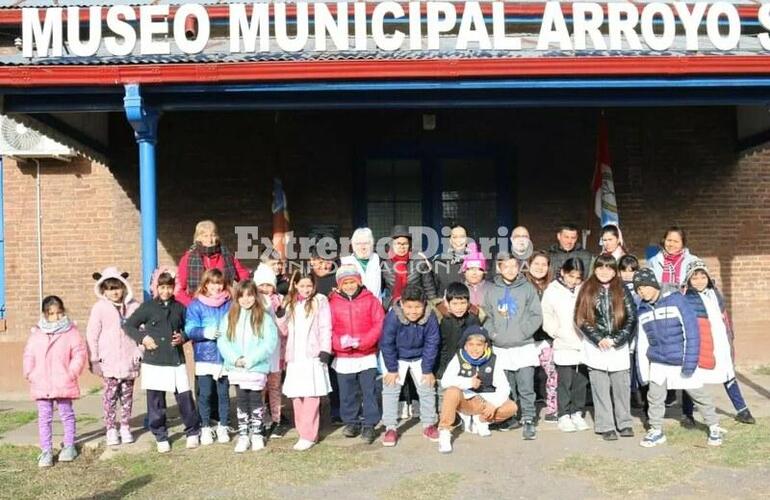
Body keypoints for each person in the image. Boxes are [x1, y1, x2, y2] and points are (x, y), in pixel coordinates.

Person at [634, 268, 724, 447]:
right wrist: (643, 370)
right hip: (658, 362)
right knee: (654, 397)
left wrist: (689, 362)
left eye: (644, 286)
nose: (641, 291)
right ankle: (656, 430)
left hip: (681, 359)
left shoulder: (677, 301)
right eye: (638, 289)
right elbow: (642, 342)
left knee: (699, 395)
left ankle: (714, 426)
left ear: (653, 284)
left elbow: (692, 332)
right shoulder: (642, 310)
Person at [125, 270, 201, 453]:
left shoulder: (180, 308)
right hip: (154, 360)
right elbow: (128, 325)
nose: (166, 291)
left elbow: (189, 327)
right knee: (156, 401)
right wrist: (143, 338)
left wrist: (182, 336)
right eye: (162, 287)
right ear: (156, 288)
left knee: (184, 397)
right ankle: (160, 434)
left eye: (169, 287)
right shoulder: (148, 307)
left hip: (176, 360)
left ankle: (192, 431)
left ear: (173, 287)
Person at [681, 260, 755, 425]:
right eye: (695, 278)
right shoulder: (686, 298)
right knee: (692, 378)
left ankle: (742, 410)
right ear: (689, 280)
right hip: (701, 343)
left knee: (727, 374)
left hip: (720, 342)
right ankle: (687, 414)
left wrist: (730, 338)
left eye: (702, 276)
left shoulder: (715, 294)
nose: (699, 281)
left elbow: (724, 318)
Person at [575, 254, 636, 441]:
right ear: (595, 269)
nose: (604, 271)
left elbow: (632, 318)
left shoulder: (622, 288)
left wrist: (617, 339)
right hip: (596, 346)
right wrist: (598, 338)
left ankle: (624, 422)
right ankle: (605, 425)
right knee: (600, 387)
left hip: (618, 346)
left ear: (614, 270)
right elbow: (581, 318)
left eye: (609, 268)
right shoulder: (586, 288)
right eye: (600, 267)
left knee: (621, 386)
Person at [482, 252, 543, 439]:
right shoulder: (492, 290)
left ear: (519, 267)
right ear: (499, 268)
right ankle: (510, 416)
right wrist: (493, 334)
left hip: (523, 347)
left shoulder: (528, 288)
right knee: (506, 386)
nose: (510, 270)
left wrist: (523, 333)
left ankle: (528, 418)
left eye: (514, 266)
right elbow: (487, 316)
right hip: (501, 347)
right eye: (505, 266)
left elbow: (536, 316)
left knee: (526, 385)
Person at [24, 296, 87, 467]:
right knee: (44, 417)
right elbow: (29, 354)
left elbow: (79, 353)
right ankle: (46, 450)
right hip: (41, 381)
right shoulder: (37, 333)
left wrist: (72, 372)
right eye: (52, 313)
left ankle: (69, 446)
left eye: (59, 313)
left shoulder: (71, 332)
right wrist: (30, 372)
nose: (56, 317)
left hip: (63, 381)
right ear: (45, 314)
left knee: (66, 414)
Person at [216, 280, 278, 453]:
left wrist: (251, 359)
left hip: (255, 367)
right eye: (242, 296)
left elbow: (269, 342)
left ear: (255, 296)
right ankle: (244, 434)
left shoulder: (264, 317)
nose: (246, 299)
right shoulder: (230, 317)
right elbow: (223, 341)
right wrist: (235, 359)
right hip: (236, 367)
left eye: (249, 295)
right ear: (237, 298)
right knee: (242, 399)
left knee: (256, 399)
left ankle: (257, 433)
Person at [438, 326, 518, 453]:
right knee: (451, 391)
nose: (475, 349)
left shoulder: (493, 359)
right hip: (467, 400)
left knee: (511, 407)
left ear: (486, 345)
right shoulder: (459, 358)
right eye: (471, 345)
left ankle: (481, 420)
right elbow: (445, 381)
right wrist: (468, 382)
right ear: (465, 346)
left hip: (486, 400)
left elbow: (504, 386)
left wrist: (494, 405)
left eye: (479, 345)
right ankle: (445, 431)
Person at [329, 264, 385, 444]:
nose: (350, 286)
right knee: (347, 393)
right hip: (343, 357)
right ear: (339, 285)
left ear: (359, 282)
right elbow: (327, 328)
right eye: (345, 283)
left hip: (366, 355)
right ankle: (351, 422)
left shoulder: (371, 300)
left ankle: (369, 424)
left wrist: (365, 342)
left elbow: (379, 324)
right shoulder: (332, 302)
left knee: (369, 391)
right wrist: (339, 343)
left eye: (353, 282)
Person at [380, 285, 440, 447]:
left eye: (418, 307)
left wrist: (427, 370)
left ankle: (428, 424)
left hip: (420, 356)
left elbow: (432, 343)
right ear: (402, 304)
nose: (413, 311)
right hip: (396, 357)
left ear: (425, 304)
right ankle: (390, 427)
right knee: (390, 389)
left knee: (427, 388)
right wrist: (392, 369)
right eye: (409, 307)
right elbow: (386, 343)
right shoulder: (393, 316)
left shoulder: (430, 316)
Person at [86, 267, 141, 446]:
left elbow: (142, 330)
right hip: (108, 361)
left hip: (128, 360)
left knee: (126, 396)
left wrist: (139, 351)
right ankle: (110, 428)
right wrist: (94, 358)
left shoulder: (134, 306)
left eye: (117, 287)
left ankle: (125, 426)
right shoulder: (99, 308)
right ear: (103, 290)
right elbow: (92, 334)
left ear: (124, 287)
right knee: (109, 397)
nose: (114, 292)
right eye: (110, 288)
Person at [278, 271, 333, 451]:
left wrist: (325, 349)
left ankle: (308, 434)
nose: (306, 289)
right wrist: (280, 315)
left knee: (311, 394)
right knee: (297, 395)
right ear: (295, 286)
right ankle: (304, 432)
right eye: (302, 286)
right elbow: (284, 330)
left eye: (309, 286)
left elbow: (325, 326)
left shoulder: (320, 301)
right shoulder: (291, 302)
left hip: (312, 354)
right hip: (295, 355)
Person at [185, 268, 233, 445]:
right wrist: (205, 332)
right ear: (205, 284)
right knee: (205, 394)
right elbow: (189, 329)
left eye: (219, 283)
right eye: (212, 283)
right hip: (204, 356)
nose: (216, 287)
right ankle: (205, 427)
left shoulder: (230, 303)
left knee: (223, 394)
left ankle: (223, 426)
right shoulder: (196, 305)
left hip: (225, 356)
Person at [542, 258, 589, 433]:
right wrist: (557, 332)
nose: (574, 280)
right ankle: (563, 414)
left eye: (578, 277)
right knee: (565, 382)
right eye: (571, 276)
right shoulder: (552, 291)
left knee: (581, 382)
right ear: (563, 272)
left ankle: (577, 412)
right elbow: (547, 316)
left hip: (583, 342)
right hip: (563, 342)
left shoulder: (583, 289)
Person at [175, 220, 250, 306]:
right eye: (205, 236)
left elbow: (244, 276)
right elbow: (180, 288)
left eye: (213, 235)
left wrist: (238, 294)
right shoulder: (188, 258)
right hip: (199, 306)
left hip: (225, 304)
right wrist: (192, 305)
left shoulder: (227, 256)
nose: (210, 240)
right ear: (198, 238)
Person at [253, 263, 289, 438]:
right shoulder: (252, 300)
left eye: (269, 285)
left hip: (276, 353)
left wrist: (282, 316)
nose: (266, 289)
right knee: (260, 387)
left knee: (275, 387)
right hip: (259, 353)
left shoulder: (280, 301)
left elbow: (285, 330)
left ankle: (277, 420)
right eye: (262, 285)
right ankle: (259, 420)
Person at [526, 251, 558, 423]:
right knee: (525, 376)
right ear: (529, 265)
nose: (539, 268)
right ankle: (526, 411)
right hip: (527, 338)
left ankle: (553, 408)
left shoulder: (553, 287)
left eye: (543, 264)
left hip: (547, 338)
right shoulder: (522, 285)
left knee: (552, 374)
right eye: (536, 264)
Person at [381, 225, 437, 310]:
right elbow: (378, 289)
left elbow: (429, 289)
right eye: (398, 243)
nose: (401, 247)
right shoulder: (384, 264)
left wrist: (433, 308)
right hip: (393, 307)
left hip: (416, 308)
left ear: (409, 245)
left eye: (405, 243)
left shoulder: (419, 261)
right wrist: (386, 304)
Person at [619, 254, 647, 410]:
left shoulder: (641, 288)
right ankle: (630, 394)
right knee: (627, 367)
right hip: (625, 333)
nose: (627, 274)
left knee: (639, 366)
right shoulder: (617, 287)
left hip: (640, 334)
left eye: (631, 270)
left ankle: (642, 394)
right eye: (624, 270)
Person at [647, 226, 698, 293]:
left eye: (676, 241)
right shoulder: (654, 261)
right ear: (664, 240)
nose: (671, 244)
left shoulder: (693, 261)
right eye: (669, 240)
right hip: (661, 302)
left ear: (683, 243)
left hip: (685, 301)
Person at [340, 227, 382, 301]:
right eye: (358, 244)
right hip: (354, 308)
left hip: (376, 308)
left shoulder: (378, 259)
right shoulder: (345, 262)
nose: (363, 247)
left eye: (366, 243)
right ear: (353, 245)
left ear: (372, 244)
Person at [432, 224, 470, 296]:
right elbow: (433, 290)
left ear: (467, 239)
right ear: (450, 240)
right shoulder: (439, 262)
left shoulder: (477, 261)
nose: (459, 240)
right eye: (455, 237)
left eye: (462, 237)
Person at [461, 242, 490, 315]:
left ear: (484, 271)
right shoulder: (457, 290)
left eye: (479, 269)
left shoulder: (493, 289)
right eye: (470, 269)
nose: (474, 273)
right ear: (464, 271)